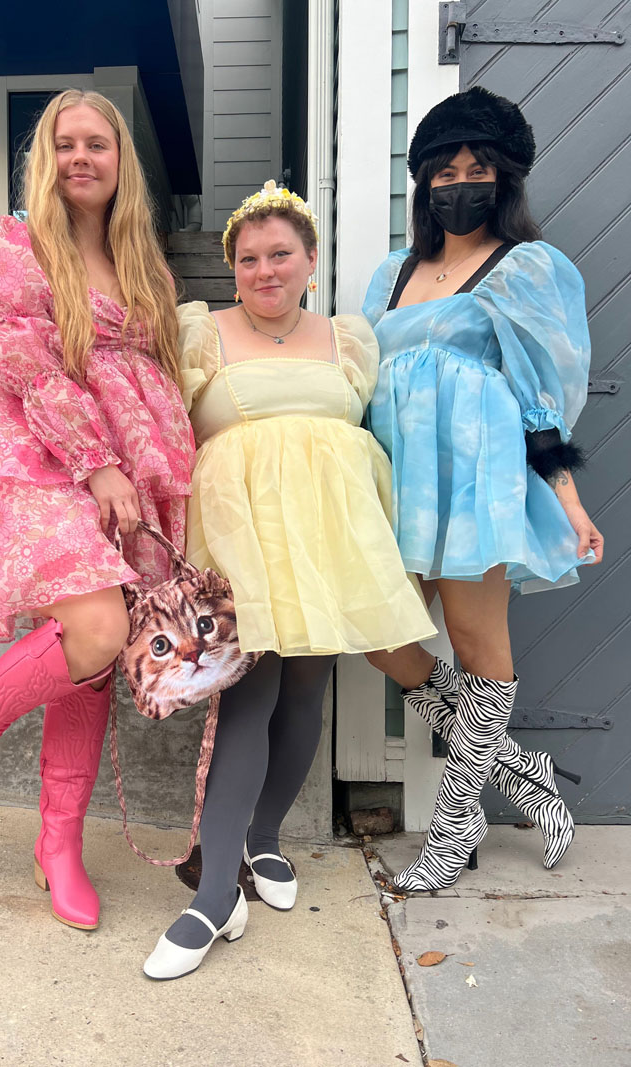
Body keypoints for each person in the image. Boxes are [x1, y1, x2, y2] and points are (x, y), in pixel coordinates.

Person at [0, 90, 194, 930]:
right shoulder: (19, 245)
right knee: (97, 627)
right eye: (63, 144)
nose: (79, 158)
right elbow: (26, 360)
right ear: (45, 159)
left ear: (120, 159)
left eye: (96, 143)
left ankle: (58, 845)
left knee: (92, 651)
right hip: (40, 446)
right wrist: (98, 463)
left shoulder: (145, 263)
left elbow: (162, 374)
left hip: (126, 464)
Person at [143, 181, 436, 979]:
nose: (265, 270)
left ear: (310, 259)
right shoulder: (202, 332)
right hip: (241, 538)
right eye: (248, 259)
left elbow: (368, 431)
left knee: (308, 692)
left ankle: (265, 837)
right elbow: (169, 427)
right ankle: (211, 893)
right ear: (232, 268)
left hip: (328, 536)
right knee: (252, 694)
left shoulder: (347, 338)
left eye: (281, 255)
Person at [361, 87, 604, 893]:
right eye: (445, 170)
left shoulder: (526, 268)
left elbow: (541, 399)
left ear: (504, 179)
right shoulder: (388, 276)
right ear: (423, 180)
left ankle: (456, 822)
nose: (460, 182)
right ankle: (521, 767)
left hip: (474, 483)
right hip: (399, 481)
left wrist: (566, 498)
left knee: (477, 651)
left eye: (478, 168)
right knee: (377, 634)